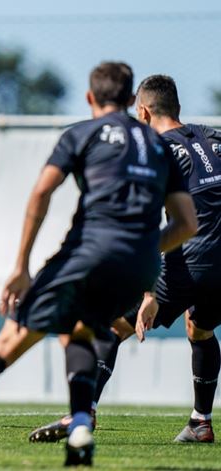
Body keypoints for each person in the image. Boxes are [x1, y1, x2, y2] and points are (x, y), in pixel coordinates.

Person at [0, 62, 198, 467]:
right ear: (131, 101)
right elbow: (187, 224)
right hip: (140, 269)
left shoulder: (82, 133)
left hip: (87, 254)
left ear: (90, 98)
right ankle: (79, 426)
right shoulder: (161, 146)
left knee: (9, 341)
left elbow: (41, 194)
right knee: (78, 332)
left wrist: (21, 267)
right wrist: (144, 248)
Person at [29, 74, 221, 444]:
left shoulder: (156, 150)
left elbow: (152, 222)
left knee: (110, 325)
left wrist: (149, 289)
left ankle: (83, 414)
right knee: (201, 329)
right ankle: (200, 422)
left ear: (144, 111)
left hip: (191, 260)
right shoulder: (214, 139)